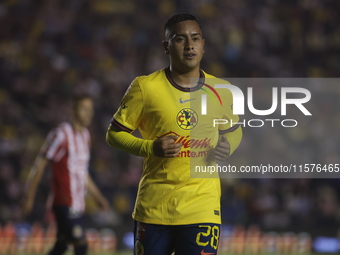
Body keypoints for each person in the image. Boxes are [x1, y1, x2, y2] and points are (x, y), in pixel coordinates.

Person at [106, 13, 242, 255]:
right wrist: (150, 147)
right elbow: (114, 134)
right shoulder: (145, 87)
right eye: (180, 39)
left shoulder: (223, 90)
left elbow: (234, 130)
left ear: (203, 45)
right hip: (154, 206)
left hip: (202, 204)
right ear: (166, 46)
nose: (189, 45)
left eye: (195, 38)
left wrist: (228, 145)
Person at [22, 95, 110, 255]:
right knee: (81, 243)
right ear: (73, 111)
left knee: (61, 246)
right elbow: (40, 164)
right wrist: (29, 196)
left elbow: (82, 172)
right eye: (84, 109)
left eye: (91, 109)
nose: (89, 113)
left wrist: (98, 196)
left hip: (78, 202)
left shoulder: (85, 136)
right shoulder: (61, 134)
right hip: (63, 200)